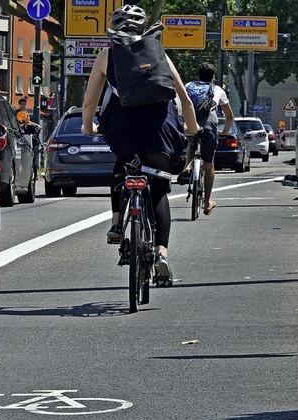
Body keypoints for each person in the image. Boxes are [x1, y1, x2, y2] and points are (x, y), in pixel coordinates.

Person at [81, 4, 199, 282]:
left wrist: (89, 128)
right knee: (158, 191)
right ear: (144, 28)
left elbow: (89, 101)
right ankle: (161, 254)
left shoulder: (107, 55)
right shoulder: (159, 54)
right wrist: (191, 128)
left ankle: (116, 225)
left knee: (123, 167)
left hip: (123, 129)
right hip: (159, 129)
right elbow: (184, 98)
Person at [177, 63, 234, 216]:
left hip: (191, 121)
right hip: (209, 125)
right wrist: (225, 132)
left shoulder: (189, 85)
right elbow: (229, 116)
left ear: (198, 75)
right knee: (209, 163)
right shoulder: (218, 90)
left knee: (191, 142)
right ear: (213, 77)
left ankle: (187, 167)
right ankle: (207, 202)